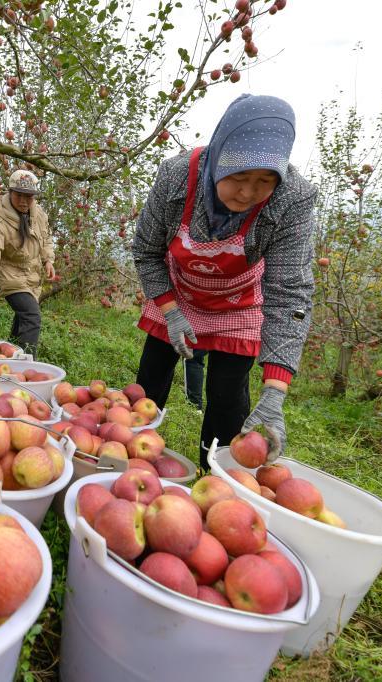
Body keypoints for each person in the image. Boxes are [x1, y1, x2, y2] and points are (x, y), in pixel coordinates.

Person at [132, 94, 317, 472]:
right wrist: (170, 311)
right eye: (238, 178)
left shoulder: (293, 199)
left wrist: (274, 392)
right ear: (220, 157)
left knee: (227, 397)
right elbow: (146, 251)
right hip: (177, 291)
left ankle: (213, 476)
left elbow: (290, 293)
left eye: (265, 180)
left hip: (238, 302)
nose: (248, 193)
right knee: (150, 381)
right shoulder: (176, 177)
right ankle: (132, 452)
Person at [0, 169, 55, 358]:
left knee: (22, 320)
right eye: (19, 195)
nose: (24, 201)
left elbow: (46, 237)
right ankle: (25, 365)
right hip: (10, 278)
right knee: (31, 316)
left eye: (29, 196)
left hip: (32, 278)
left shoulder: (38, 214)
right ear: (10, 192)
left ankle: (10, 356)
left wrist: (48, 260)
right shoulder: (0, 221)